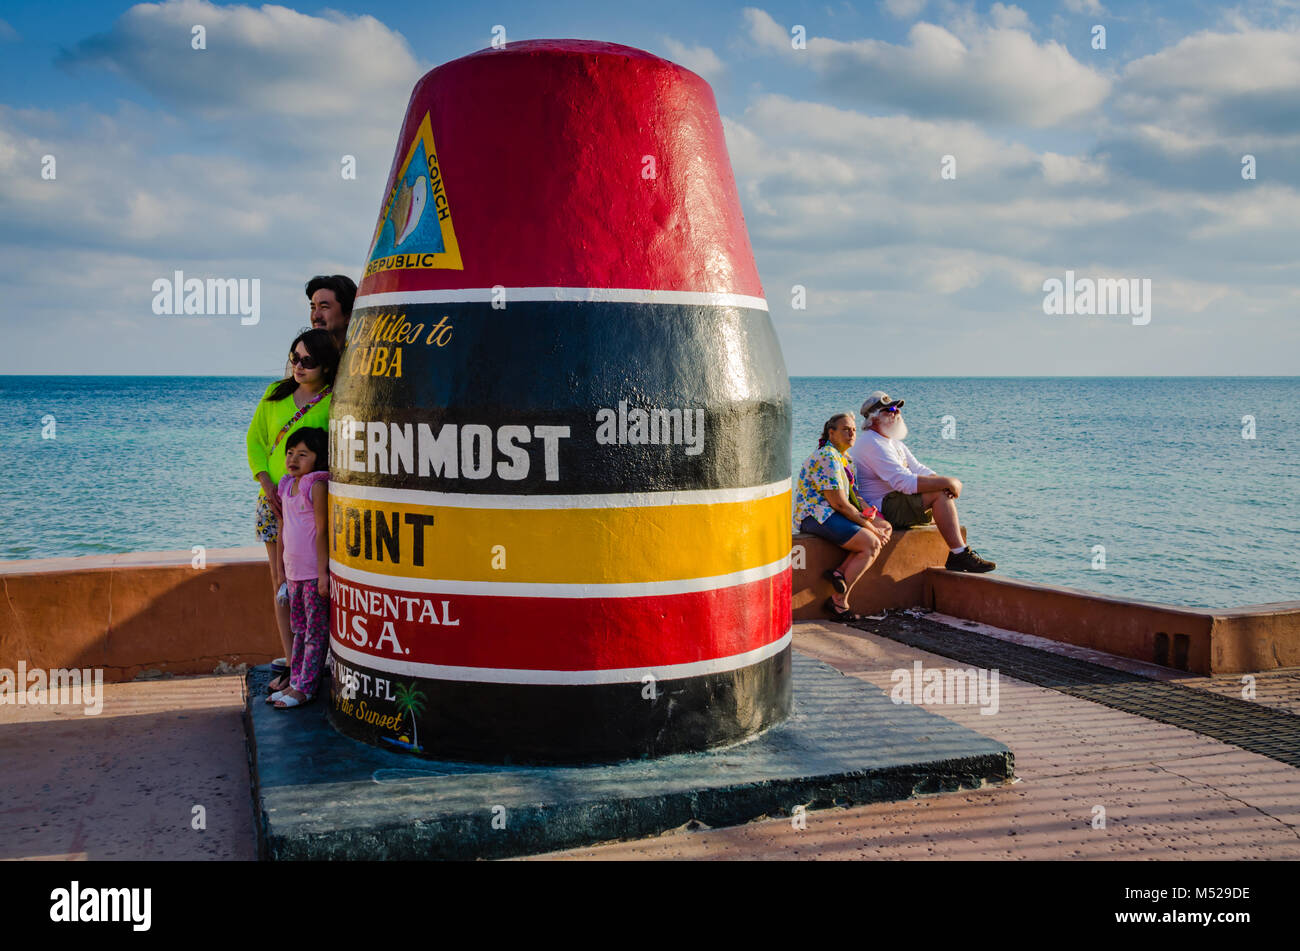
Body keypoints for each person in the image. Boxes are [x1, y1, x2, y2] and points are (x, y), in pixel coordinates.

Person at [246, 329, 340, 693]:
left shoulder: (333, 401)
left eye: (308, 361)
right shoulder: (275, 394)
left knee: (313, 585)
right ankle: (290, 660)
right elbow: (255, 439)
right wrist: (266, 482)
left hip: (310, 505)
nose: (298, 366)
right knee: (280, 583)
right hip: (273, 498)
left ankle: (310, 667)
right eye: (294, 358)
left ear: (325, 365)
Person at [850, 391, 995, 573]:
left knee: (941, 490)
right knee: (939, 494)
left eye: (897, 410)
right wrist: (947, 483)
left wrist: (944, 482)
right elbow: (902, 482)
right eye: (890, 410)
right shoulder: (872, 443)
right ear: (873, 417)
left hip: (895, 501)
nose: (896, 413)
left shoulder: (893, 443)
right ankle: (959, 554)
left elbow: (919, 469)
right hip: (881, 508)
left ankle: (958, 552)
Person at [793, 413, 894, 621]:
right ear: (832, 433)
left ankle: (839, 574)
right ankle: (839, 601)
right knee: (871, 544)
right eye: (846, 429)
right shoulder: (827, 457)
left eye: (854, 430)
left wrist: (876, 520)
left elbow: (854, 497)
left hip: (833, 513)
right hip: (815, 514)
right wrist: (871, 529)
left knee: (882, 530)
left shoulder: (844, 458)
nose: (852, 433)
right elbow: (838, 503)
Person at [267, 427, 331, 709]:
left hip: (311, 573)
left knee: (315, 634)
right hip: (292, 573)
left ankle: (306, 688)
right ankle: (295, 683)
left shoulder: (314, 485)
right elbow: (282, 528)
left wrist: (322, 573)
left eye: (303, 454)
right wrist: (281, 571)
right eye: (290, 453)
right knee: (299, 629)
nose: (293, 459)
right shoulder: (285, 485)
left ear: (318, 459)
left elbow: (321, 530)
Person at [306, 274, 357, 351]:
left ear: (348, 316)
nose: (315, 316)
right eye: (313, 308)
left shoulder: (364, 359)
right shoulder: (303, 357)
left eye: (324, 307)